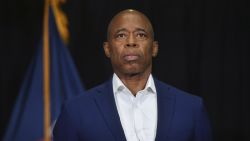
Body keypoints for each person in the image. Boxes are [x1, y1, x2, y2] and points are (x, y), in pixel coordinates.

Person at [53, 9, 212, 141]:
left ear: (154, 48)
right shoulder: (75, 111)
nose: (131, 42)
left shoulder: (191, 109)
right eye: (121, 35)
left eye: (141, 35)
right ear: (107, 49)